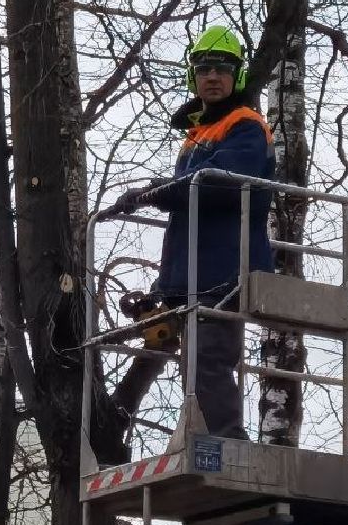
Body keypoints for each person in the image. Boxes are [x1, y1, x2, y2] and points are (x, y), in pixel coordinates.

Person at [113, 25, 276, 439]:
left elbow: (219, 182)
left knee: (209, 357)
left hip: (226, 267)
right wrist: (163, 287)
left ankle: (229, 444)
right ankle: (198, 436)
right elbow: (187, 210)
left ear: (236, 76)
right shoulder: (197, 135)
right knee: (187, 357)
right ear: (193, 77)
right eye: (204, 69)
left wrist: (153, 191)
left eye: (222, 69)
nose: (213, 77)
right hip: (192, 271)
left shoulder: (247, 127)